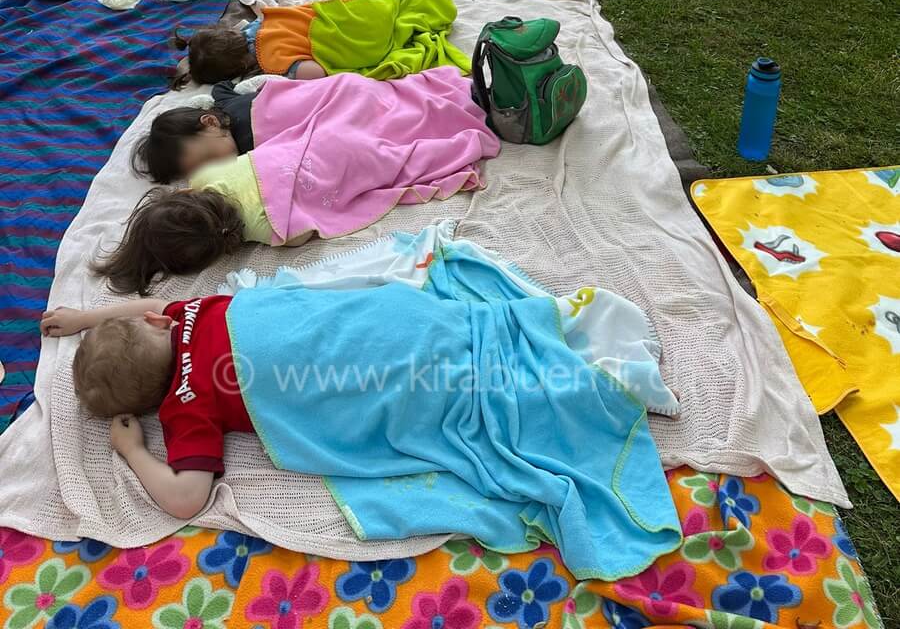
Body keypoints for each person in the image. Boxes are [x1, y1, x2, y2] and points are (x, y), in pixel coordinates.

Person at [42, 242, 679, 580]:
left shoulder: (185, 406)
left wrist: (132, 451)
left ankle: (598, 386)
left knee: (453, 392)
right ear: (156, 321)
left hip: (374, 374)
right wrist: (83, 319)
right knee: (434, 337)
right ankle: (563, 339)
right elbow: (134, 314)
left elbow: (183, 499)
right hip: (399, 317)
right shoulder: (191, 312)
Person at [93, 68, 499, 290]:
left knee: (387, 121)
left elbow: (316, 99)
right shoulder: (234, 154)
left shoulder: (246, 131)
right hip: (334, 136)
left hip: (344, 103)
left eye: (199, 161)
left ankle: (456, 121)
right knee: (390, 138)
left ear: (209, 123)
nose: (199, 174)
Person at [173, 0, 471, 88]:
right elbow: (275, 12)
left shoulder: (275, 62)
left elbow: (318, 74)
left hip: (349, 35)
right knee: (386, 8)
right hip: (352, 12)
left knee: (376, 31)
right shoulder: (258, 25)